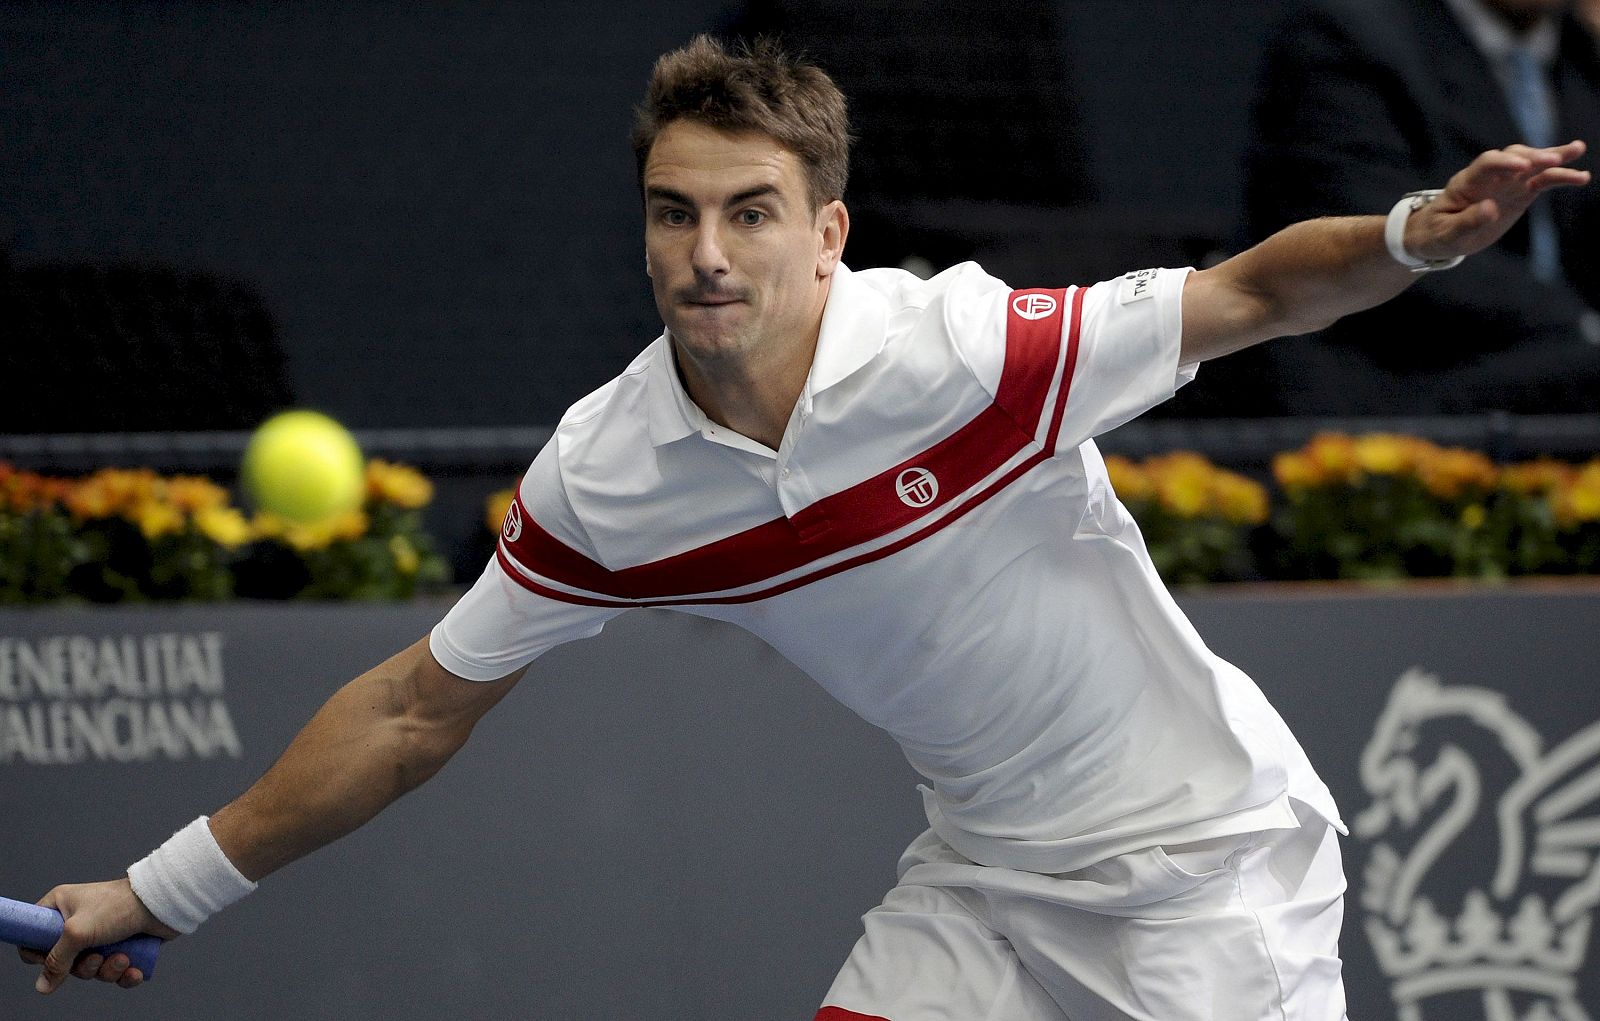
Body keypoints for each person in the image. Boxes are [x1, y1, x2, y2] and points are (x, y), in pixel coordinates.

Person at [19, 35, 1590, 1020]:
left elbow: (1252, 290)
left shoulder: (968, 355)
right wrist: (163, 886)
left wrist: (1414, 234)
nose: (708, 255)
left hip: (1214, 882)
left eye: (751, 212)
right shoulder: (611, 476)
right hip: (984, 891)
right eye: (673, 211)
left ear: (828, 233)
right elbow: (415, 709)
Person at [1245, 0, 1600, 416]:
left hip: (1565, 387)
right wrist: (1583, 328)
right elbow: (1368, 238)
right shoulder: (1347, 35)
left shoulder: (1582, 54)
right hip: (1401, 385)